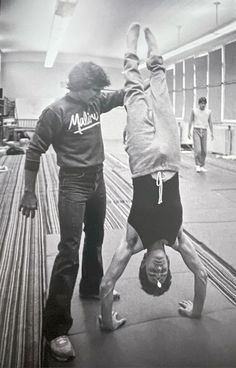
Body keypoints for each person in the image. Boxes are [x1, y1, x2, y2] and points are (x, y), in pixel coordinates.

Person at [99, 23, 207, 331]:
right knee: (160, 96)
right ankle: (156, 56)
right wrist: (196, 312)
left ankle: (131, 52)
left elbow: (107, 284)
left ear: (143, 266)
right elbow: (201, 274)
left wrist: (107, 322)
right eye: (163, 275)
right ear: (170, 265)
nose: (158, 271)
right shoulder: (178, 238)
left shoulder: (132, 241)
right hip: (172, 158)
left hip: (143, 160)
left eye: (151, 274)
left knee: (134, 95)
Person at [19, 61, 124, 361]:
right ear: (77, 86)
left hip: (98, 179)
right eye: (94, 89)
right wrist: (28, 192)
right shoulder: (56, 112)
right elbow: (34, 150)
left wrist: (140, 85)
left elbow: (120, 96)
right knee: (68, 249)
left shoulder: (95, 100)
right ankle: (56, 330)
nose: (98, 95)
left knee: (96, 236)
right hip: (73, 184)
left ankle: (91, 287)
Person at [188, 97, 214, 173]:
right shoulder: (194, 111)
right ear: (198, 104)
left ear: (206, 104)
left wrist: (212, 133)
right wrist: (188, 131)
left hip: (204, 131)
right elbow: (190, 120)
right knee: (198, 149)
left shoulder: (208, 112)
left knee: (204, 151)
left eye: (204, 103)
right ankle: (197, 165)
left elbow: (210, 122)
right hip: (196, 130)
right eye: (201, 103)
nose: (203, 105)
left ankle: (202, 165)